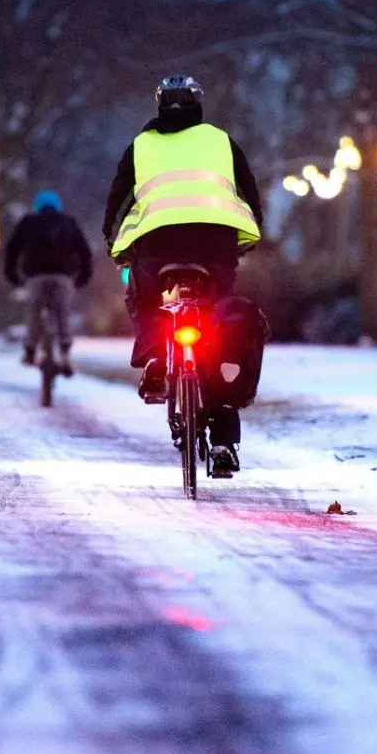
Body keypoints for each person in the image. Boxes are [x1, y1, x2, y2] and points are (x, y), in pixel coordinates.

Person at [103, 75, 263, 473]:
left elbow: (118, 202)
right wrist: (248, 235)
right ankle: (225, 438)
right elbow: (248, 193)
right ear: (198, 105)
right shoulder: (222, 141)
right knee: (220, 324)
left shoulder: (141, 146)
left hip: (157, 247)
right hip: (215, 247)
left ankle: (158, 357)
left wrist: (114, 243)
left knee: (146, 297)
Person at [4, 190, 92, 375]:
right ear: (58, 206)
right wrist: (83, 277)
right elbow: (84, 252)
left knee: (34, 312)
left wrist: (12, 275)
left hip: (36, 277)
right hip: (63, 277)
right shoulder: (69, 223)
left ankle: (30, 351)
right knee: (63, 312)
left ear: (38, 206)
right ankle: (65, 352)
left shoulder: (28, 223)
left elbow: (13, 250)